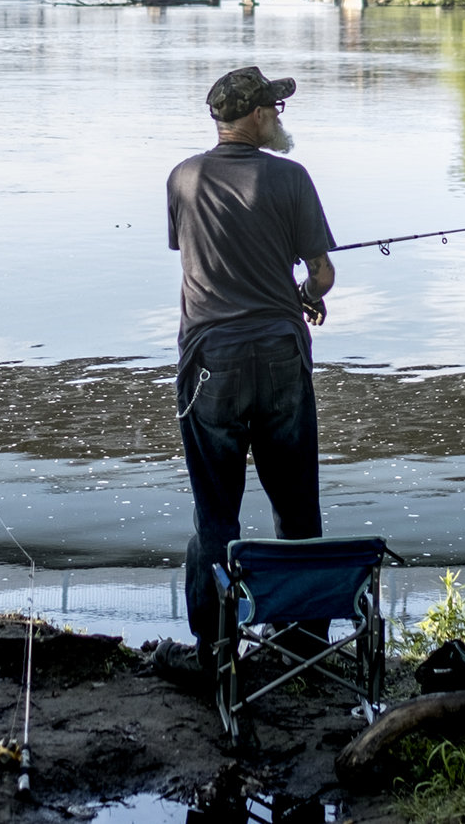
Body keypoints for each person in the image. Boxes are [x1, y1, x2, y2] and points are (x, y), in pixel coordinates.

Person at [156, 64, 337, 681]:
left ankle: (214, 651)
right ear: (256, 115)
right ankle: (306, 642)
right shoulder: (291, 178)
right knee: (297, 508)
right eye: (275, 109)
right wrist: (305, 291)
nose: (281, 118)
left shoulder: (183, 178)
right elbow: (322, 274)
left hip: (210, 364)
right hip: (282, 358)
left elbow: (203, 257)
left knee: (216, 514)